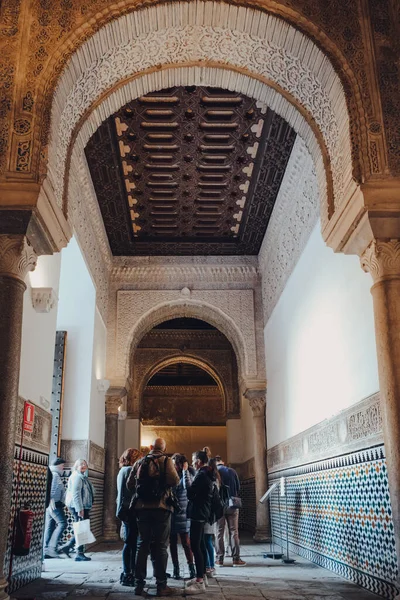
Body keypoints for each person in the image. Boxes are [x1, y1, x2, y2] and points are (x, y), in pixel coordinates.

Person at [127, 438, 179, 597]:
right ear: (164, 448)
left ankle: (139, 585)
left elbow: (130, 485)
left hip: (142, 509)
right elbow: (175, 480)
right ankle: (161, 585)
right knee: (161, 546)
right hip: (161, 509)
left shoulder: (140, 462)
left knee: (142, 545)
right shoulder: (166, 461)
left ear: (151, 447)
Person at [185, 450, 215, 595]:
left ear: (198, 460)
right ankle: (202, 576)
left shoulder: (202, 475)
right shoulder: (206, 473)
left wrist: (185, 474)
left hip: (198, 513)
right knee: (201, 545)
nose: (191, 463)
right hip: (203, 512)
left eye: (192, 460)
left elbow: (190, 493)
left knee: (195, 546)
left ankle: (199, 581)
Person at [116, 448, 142, 586]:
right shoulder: (128, 471)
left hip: (125, 510)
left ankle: (129, 572)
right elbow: (128, 493)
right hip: (129, 511)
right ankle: (128, 573)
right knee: (130, 544)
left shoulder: (123, 471)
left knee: (131, 542)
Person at [214, 456, 246, 567]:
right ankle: (236, 559)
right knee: (234, 532)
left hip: (219, 506)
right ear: (222, 462)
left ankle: (219, 559)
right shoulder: (232, 471)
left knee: (219, 532)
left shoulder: (214, 472)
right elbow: (238, 487)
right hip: (232, 504)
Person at [61, 459, 95, 561]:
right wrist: (79, 509)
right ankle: (79, 553)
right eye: (81, 464)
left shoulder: (82, 476)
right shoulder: (77, 477)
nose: (84, 465)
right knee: (82, 528)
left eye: (85, 464)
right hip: (78, 506)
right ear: (76, 466)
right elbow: (76, 494)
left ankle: (68, 547)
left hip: (83, 506)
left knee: (82, 528)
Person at [170, 454, 196, 580]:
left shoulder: (189, 473)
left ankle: (191, 567)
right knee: (172, 542)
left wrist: (185, 471)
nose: (173, 465)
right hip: (172, 512)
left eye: (174, 463)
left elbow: (187, 486)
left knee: (186, 542)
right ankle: (176, 568)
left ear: (180, 464)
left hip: (183, 512)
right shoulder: (171, 475)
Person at [43, 457, 67, 558]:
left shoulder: (53, 473)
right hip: (54, 505)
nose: (63, 468)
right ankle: (51, 548)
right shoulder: (55, 475)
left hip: (51, 505)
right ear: (58, 465)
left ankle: (46, 549)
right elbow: (51, 490)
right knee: (62, 523)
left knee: (50, 525)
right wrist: (51, 502)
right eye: (62, 465)